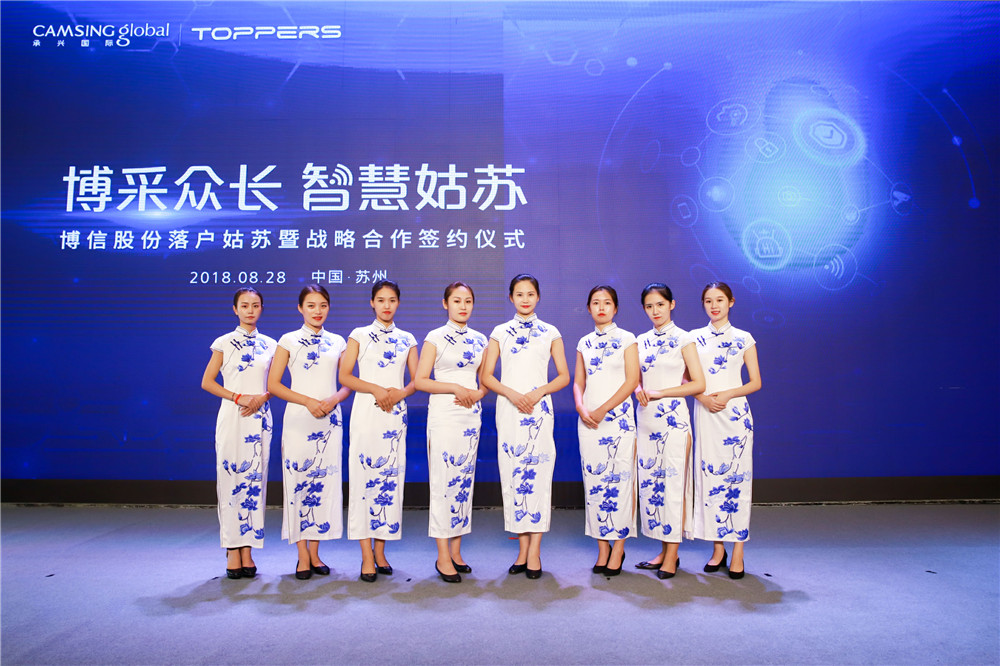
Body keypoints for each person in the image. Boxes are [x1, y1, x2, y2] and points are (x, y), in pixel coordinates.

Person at [481, 274, 570, 579]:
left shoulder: (550, 332)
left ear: (538, 297)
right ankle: (521, 551)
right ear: (511, 298)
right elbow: (487, 376)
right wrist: (513, 395)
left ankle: (534, 552)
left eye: (530, 294)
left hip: (538, 409)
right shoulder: (499, 332)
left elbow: (563, 376)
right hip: (509, 409)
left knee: (539, 476)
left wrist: (537, 393)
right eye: (519, 294)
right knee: (513, 475)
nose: (525, 299)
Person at [267, 285, 350, 580]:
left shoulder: (338, 341)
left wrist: (333, 399)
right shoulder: (288, 340)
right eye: (311, 305)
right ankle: (302, 555)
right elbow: (274, 384)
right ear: (300, 308)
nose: (317, 311)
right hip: (299, 420)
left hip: (329, 419)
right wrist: (307, 401)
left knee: (324, 485)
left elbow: (348, 382)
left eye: (323, 305)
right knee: (299, 483)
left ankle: (316, 553)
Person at [339, 280, 418, 582]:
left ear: (398, 303)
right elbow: (345, 375)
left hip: (394, 415)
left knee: (389, 481)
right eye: (381, 300)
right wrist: (375, 389)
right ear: (372, 302)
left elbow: (417, 379)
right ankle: (366, 555)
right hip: (366, 412)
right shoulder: (358, 335)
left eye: (392, 300)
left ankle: (381, 551)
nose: (387, 305)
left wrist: (399, 393)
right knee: (363, 480)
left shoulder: (407, 339)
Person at [414, 282, 489, 583]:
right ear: (445, 304)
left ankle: (456, 552)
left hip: (470, 416)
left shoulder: (481, 339)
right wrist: (455, 388)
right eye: (456, 301)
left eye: (468, 301)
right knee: (443, 483)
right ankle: (442, 555)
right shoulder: (434, 337)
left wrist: (478, 394)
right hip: (444, 414)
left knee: (463, 483)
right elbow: (420, 380)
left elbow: (485, 381)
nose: (463, 306)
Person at [201, 287, 275, 579]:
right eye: (244, 306)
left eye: (255, 305)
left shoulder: (271, 345)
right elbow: (208, 382)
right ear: (235, 309)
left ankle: (249, 549)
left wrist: (262, 397)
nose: (250, 310)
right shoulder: (223, 342)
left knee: (255, 481)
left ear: (261, 309)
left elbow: (277, 383)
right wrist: (238, 397)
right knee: (230, 480)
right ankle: (232, 548)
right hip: (233, 416)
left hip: (260, 417)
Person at [632, 283, 706, 580]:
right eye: (649, 306)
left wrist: (661, 393)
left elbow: (698, 384)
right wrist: (638, 389)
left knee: (673, 486)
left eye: (660, 305)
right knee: (653, 487)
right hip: (646, 420)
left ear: (671, 305)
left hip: (674, 421)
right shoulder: (640, 340)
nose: (655, 311)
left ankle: (672, 554)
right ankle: (663, 551)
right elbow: (635, 379)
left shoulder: (685, 338)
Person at [691, 282, 761, 579]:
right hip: (706, 413)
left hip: (734, 415)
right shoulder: (694, 338)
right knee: (710, 481)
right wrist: (703, 398)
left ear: (731, 302)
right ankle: (717, 549)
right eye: (708, 301)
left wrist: (729, 394)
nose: (714, 306)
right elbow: (687, 379)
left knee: (737, 481)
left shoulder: (744, 338)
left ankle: (738, 550)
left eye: (719, 300)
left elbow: (755, 382)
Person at [573, 285, 640, 576]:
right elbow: (579, 382)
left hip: (618, 420)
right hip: (589, 421)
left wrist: (604, 409)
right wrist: (581, 407)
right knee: (595, 484)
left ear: (616, 308)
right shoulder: (584, 342)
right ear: (589, 308)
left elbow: (631, 381)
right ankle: (602, 549)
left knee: (621, 483)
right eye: (596, 303)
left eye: (607, 302)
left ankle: (619, 548)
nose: (601, 307)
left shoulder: (628, 339)